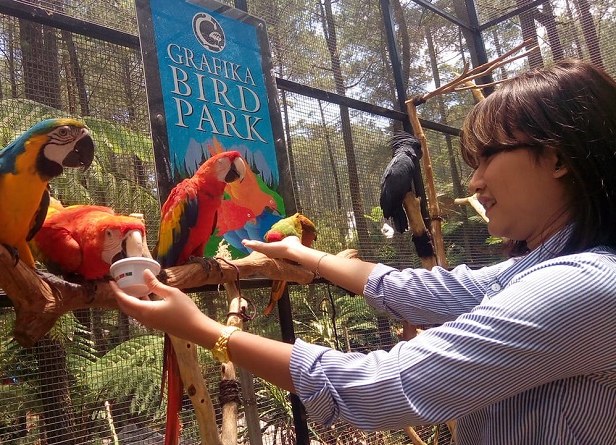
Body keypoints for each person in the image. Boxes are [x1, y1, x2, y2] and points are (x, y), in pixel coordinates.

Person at [111, 59, 616, 444]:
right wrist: (307, 255)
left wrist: (203, 330)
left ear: (554, 157)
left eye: (486, 157)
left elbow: (385, 384)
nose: (476, 180)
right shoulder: (543, 267)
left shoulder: (582, 286)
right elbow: (435, 290)